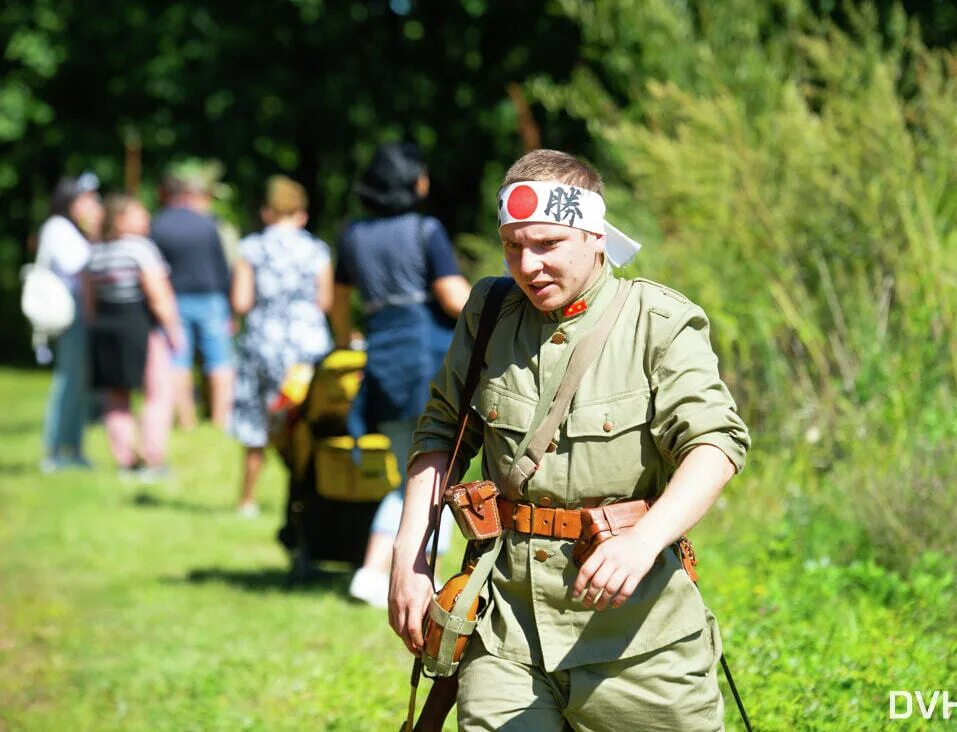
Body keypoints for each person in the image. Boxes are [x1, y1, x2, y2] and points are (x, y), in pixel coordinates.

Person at [388, 149, 751, 730]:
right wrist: (409, 557)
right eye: (513, 246)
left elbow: (716, 444)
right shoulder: (487, 313)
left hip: (637, 639)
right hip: (505, 629)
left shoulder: (657, 322)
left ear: (596, 236)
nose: (527, 266)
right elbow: (441, 432)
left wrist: (642, 542)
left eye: (548, 245)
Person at [330, 142, 471, 606]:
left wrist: (345, 345)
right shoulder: (424, 230)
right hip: (425, 357)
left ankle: (379, 573)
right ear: (414, 182)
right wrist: (502, 314)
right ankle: (403, 575)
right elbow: (452, 297)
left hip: (383, 363)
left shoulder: (353, 236)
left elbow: (337, 304)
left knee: (412, 474)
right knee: (438, 477)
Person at [229, 175, 333, 517]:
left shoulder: (251, 248)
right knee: (305, 422)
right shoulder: (317, 249)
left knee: (257, 423)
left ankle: (247, 499)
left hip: (264, 341)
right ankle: (308, 495)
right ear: (301, 214)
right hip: (308, 344)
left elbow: (242, 301)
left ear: (267, 212)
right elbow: (325, 301)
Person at [85, 194, 183, 479]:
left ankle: (125, 461)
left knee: (116, 396)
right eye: (140, 214)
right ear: (120, 219)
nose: (147, 219)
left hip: (105, 327)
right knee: (158, 393)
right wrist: (173, 329)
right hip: (138, 326)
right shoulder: (140, 248)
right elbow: (158, 294)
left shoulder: (97, 251)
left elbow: (90, 299)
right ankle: (153, 459)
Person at [150, 163, 234, 429]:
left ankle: (186, 420)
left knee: (178, 362)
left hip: (175, 300)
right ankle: (221, 419)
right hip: (212, 299)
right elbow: (222, 266)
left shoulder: (158, 226)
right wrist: (230, 304)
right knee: (220, 361)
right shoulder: (208, 223)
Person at [36, 172, 104, 472]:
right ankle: (54, 450)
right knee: (68, 381)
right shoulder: (58, 227)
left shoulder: (70, 230)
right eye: (86, 199)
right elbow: (81, 268)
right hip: (71, 313)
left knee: (81, 384)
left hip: (80, 311)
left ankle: (73, 447)